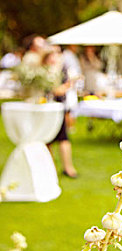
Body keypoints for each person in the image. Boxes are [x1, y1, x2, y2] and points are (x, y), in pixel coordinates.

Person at [42, 50, 78, 178]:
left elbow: (67, 83)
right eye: (51, 55)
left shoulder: (62, 69)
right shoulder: (42, 71)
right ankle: (49, 168)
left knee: (63, 138)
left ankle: (68, 168)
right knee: (46, 140)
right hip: (45, 108)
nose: (54, 58)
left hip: (58, 108)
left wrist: (63, 88)